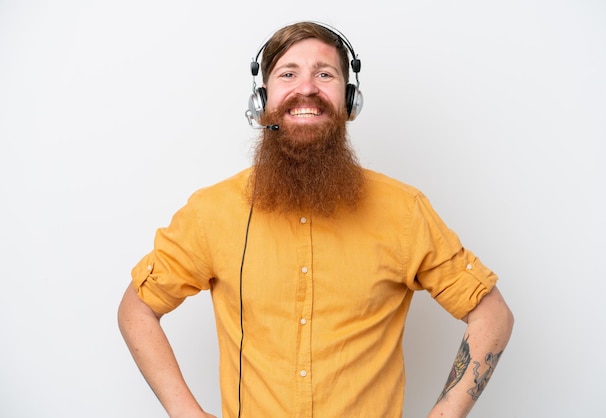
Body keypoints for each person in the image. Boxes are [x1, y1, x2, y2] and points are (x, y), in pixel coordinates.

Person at [118, 21, 514, 418]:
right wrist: (186, 413)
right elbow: (137, 309)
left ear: (349, 99)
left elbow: (491, 314)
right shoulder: (211, 212)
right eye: (288, 74)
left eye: (324, 74)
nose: (306, 88)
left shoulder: (404, 210)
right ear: (262, 98)